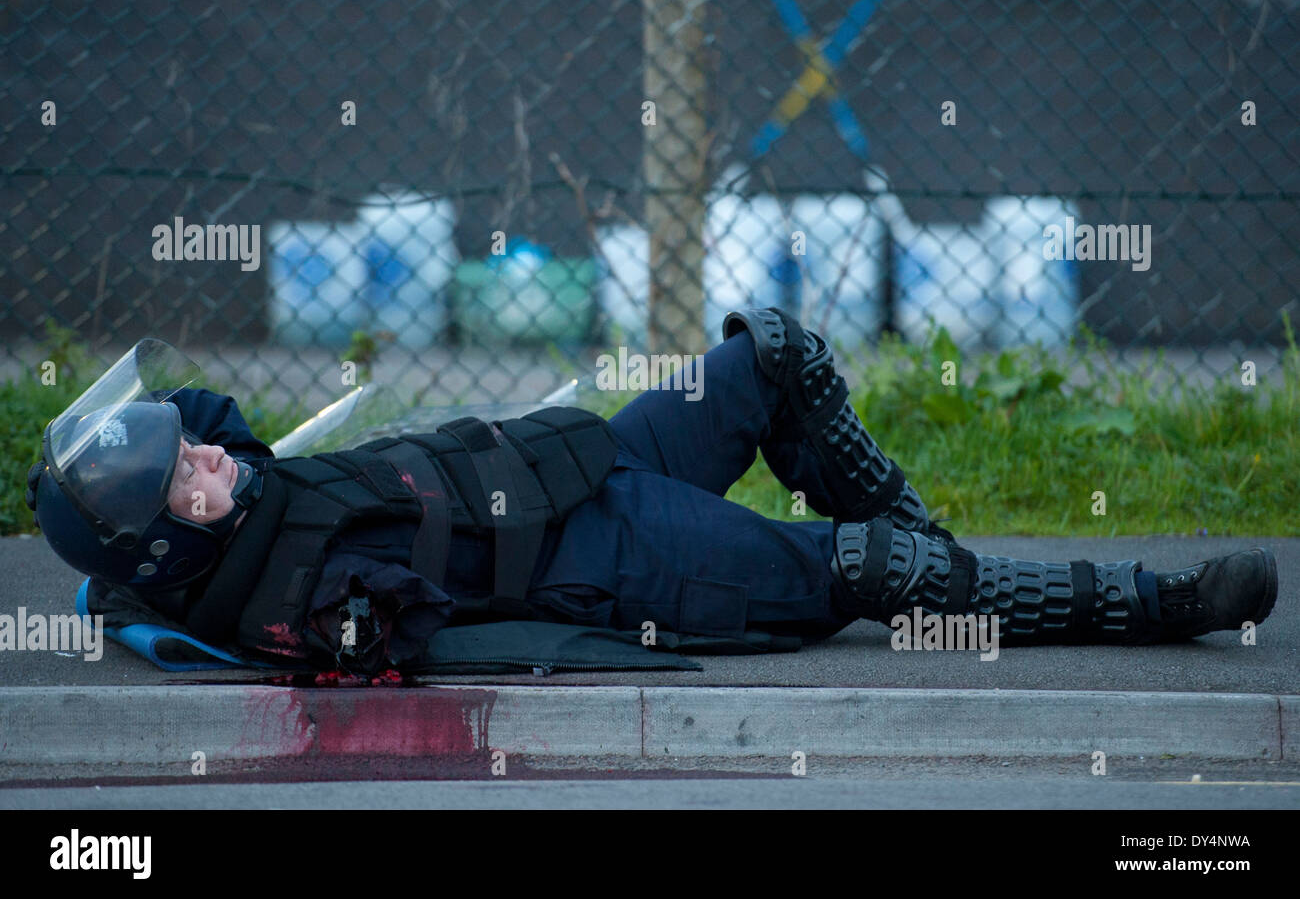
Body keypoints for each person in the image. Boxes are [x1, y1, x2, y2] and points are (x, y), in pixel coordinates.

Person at [27, 309, 1278, 673]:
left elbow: (192, 420)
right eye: (180, 480)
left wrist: (96, 458)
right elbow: (402, 636)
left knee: (774, 353)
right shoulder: (284, 593)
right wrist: (346, 626)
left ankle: (940, 566)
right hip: (618, 563)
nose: (207, 458)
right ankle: (1159, 601)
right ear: (163, 553)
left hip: (586, 454)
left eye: (186, 450)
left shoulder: (214, 490)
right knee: (863, 570)